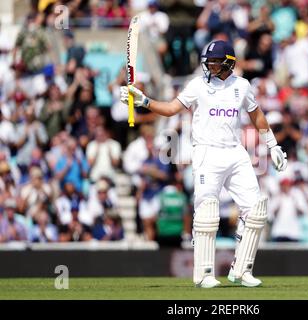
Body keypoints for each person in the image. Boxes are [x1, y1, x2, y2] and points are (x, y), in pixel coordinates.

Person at [120, 40, 287, 288]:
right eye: (207, 61)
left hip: (235, 152)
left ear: (228, 63)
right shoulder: (197, 85)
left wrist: (272, 144)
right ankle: (204, 275)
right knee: (207, 212)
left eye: (214, 62)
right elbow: (170, 109)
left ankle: (241, 271)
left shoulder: (242, 86)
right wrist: (144, 101)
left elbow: (256, 114)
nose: (209, 66)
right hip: (207, 153)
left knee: (255, 210)